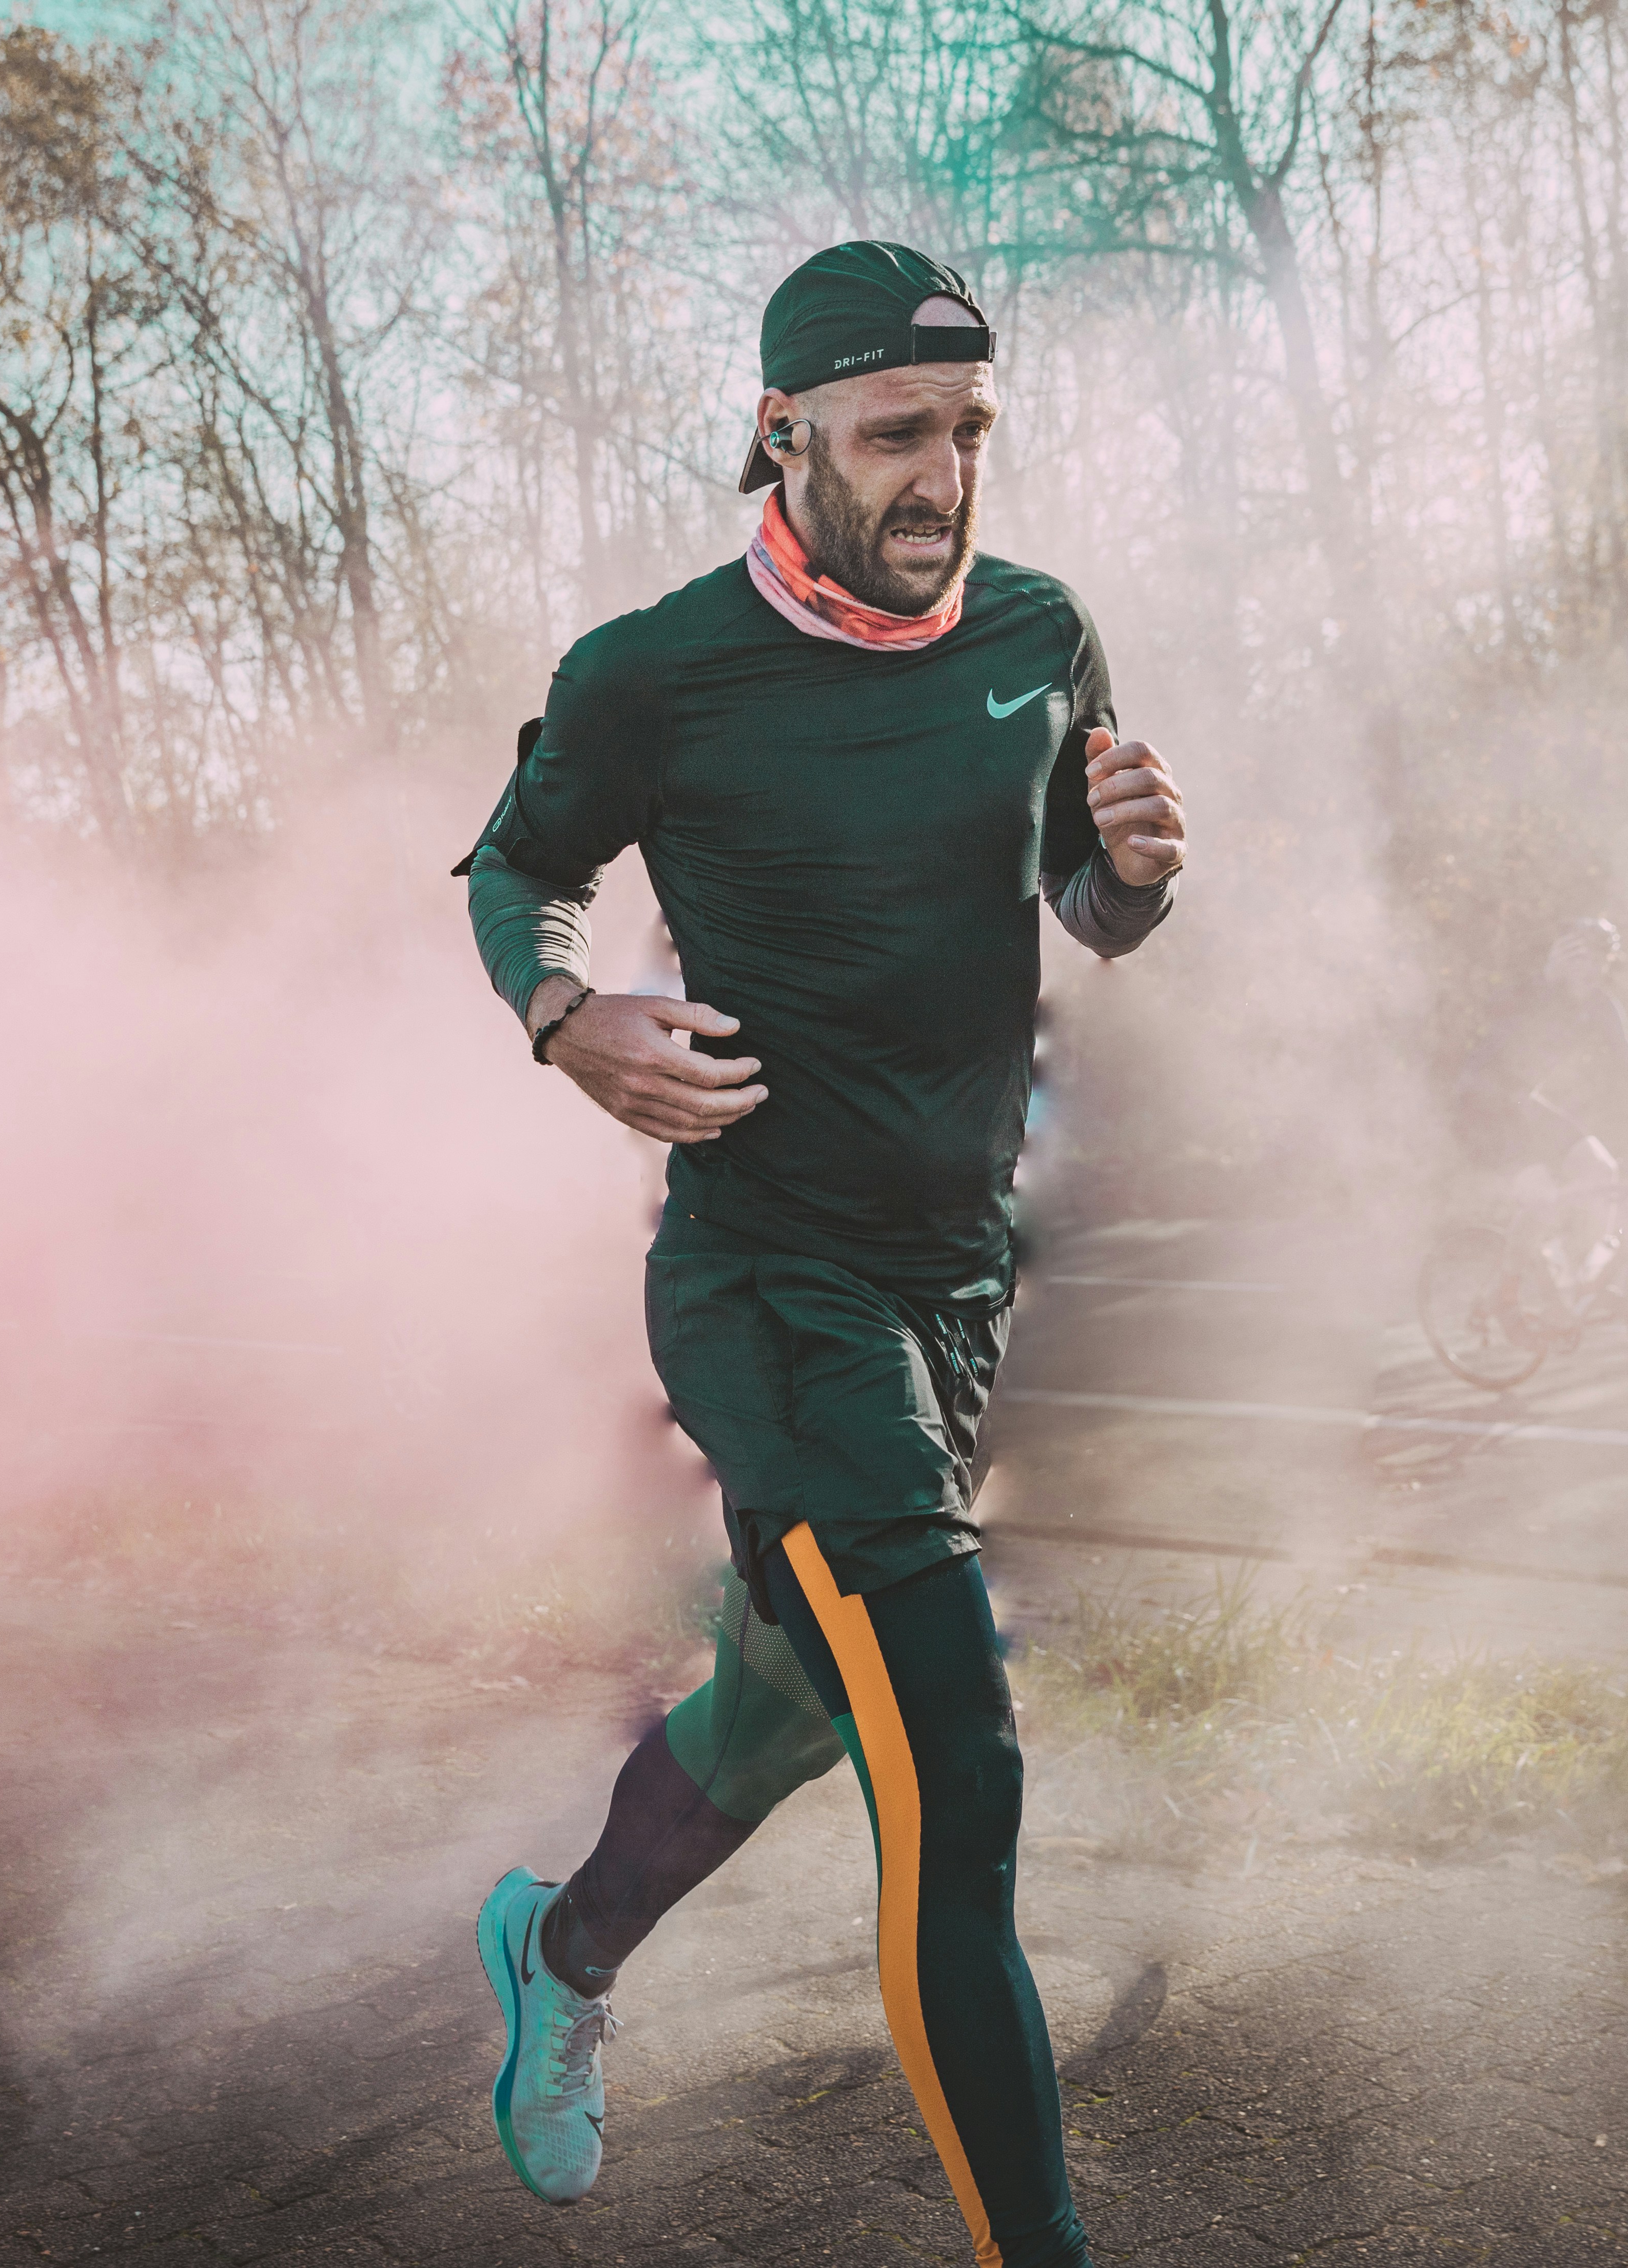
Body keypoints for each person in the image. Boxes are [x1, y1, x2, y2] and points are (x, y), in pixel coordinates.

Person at [457, 241, 1185, 2268]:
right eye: (892, 435)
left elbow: (1074, 887)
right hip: (768, 1289)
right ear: (785, 435)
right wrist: (560, 1011)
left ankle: (563, 1939)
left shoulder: (1042, 632)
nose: (941, 475)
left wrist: (1124, 873)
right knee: (951, 1746)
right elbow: (520, 862)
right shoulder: (656, 671)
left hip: (956, 1289)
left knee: (791, 1701)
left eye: (967, 431)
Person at [1450, 918, 1628, 1313]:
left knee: (1602, 1172)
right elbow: (1499, 1017)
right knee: (1543, 1200)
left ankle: (1580, 1280)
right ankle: (1503, 1296)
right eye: (1582, 955)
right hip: (1481, 1109)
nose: (1592, 967)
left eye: (1602, 958)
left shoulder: (1600, 1006)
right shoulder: (1533, 993)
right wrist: (1547, 978)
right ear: (1565, 954)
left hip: (1524, 1103)